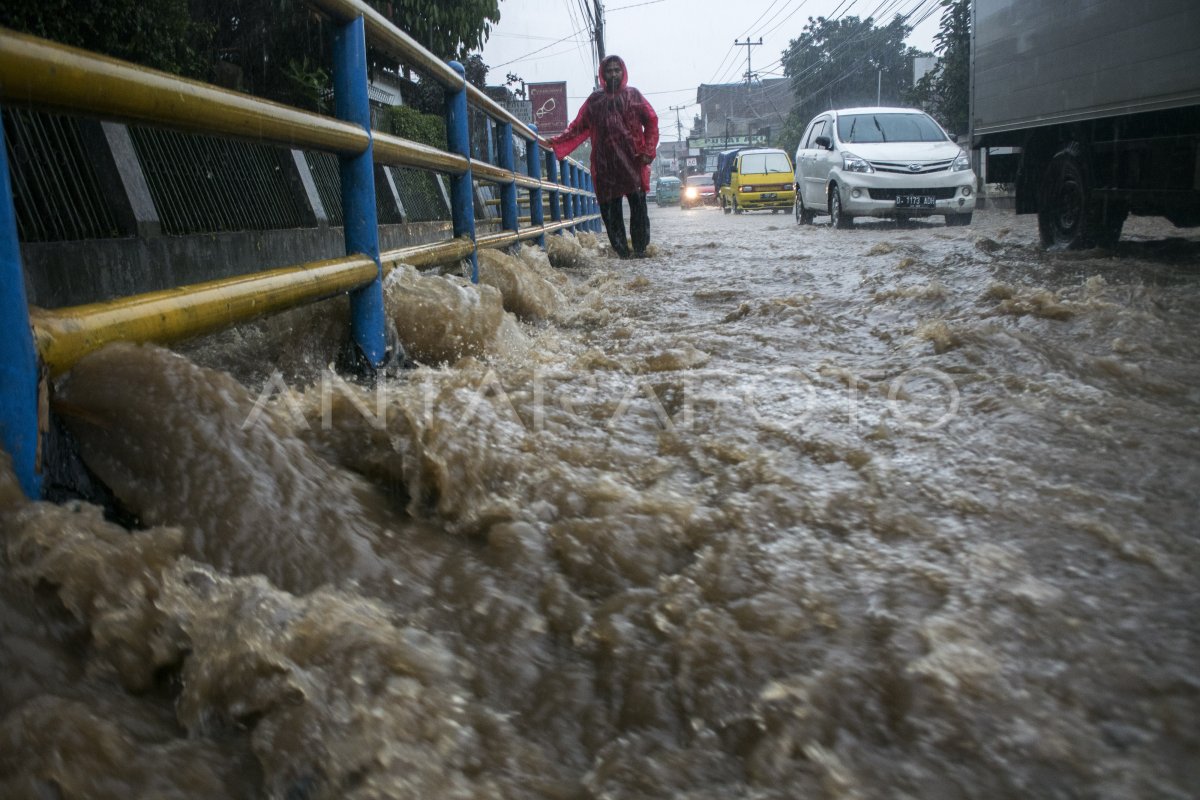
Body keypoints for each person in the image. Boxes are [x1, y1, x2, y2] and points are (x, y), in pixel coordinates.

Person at [550, 55, 659, 259]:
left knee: (638, 208)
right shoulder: (595, 101)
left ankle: (641, 252)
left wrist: (648, 152)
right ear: (603, 74)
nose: (613, 74)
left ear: (623, 72)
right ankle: (623, 255)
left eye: (617, 70)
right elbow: (577, 126)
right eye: (609, 71)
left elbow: (651, 121)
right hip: (605, 166)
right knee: (611, 213)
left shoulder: (634, 96)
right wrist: (556, 141)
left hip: (633, 162)